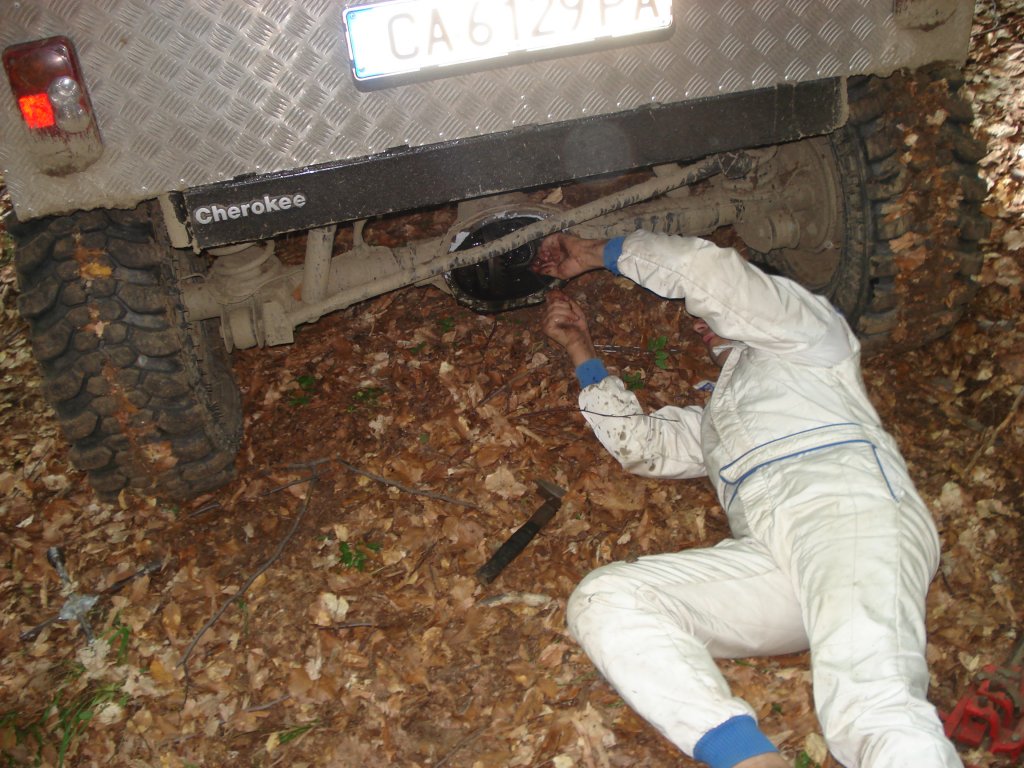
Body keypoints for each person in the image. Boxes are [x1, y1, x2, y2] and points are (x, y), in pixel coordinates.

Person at [532, 229, 961, 768]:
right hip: (772, 563)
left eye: (706, 313)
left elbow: (704, 271)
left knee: (870, 710)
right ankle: (749, 759)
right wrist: (581, 350)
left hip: (848, 518)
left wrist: (594, 253)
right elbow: (642, 446)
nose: (698, 320)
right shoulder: (718, 417)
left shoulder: (810, 336)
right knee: (607, 600)